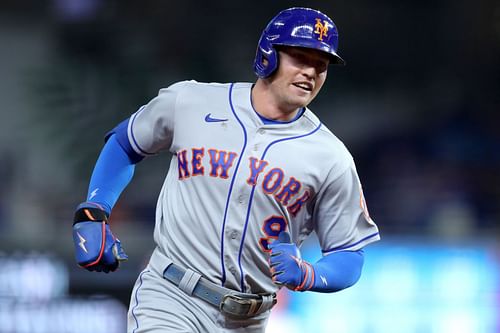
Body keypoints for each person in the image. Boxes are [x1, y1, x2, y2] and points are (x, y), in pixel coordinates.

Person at [72, 7, 380, 332]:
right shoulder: (192, 101)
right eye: (300, 58)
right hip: (172, 296)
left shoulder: (331, 157)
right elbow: (125, 143)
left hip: (249, 319)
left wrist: (309, 274)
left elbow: (349, 253)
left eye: (321, 65)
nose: (311, 72)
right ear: (268, 54)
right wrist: (94, 209)